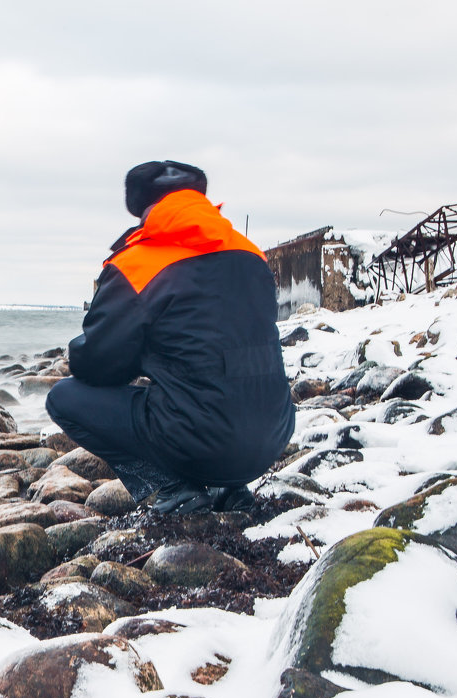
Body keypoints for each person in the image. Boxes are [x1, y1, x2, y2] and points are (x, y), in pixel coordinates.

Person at [45, 160, 295, 514]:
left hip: (202, 444)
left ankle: (172, 487)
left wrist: (138, 354)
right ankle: (228, 488)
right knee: (214, 381)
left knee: (63, 398)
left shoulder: (139, 264)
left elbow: (95, 368)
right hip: (273, 438)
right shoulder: (251, 254)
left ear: (142, 208)